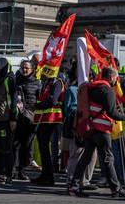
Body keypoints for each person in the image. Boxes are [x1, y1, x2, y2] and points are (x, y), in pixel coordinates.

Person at [69, 67, 125, 197]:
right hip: (102, 130)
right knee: (107, 158)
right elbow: (112, 113)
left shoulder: (92, 88)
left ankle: (74, 185)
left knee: (86, 158)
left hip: (90, 128)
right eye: (115, 78)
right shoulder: (108, 91)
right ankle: (115, 189)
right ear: (111, 77)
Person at [32, 70, 66, 186]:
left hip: (51, 119)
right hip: (43, 118)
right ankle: (45, 175)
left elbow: (53, 100)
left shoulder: (57, 81)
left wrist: (36, 105)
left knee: (45, 148)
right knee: (43, 148)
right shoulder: (48, 82)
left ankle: (49, 177)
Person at [13, 59, 41, 181]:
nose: (24, 70)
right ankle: (13, 169)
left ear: (32, 69)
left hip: (31, 119)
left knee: (27, 146)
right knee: (15, 145)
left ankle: (22, 170)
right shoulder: (15, 81)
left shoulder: (37, 83)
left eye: (27, 68)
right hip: (17, 118)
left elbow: (39, 100)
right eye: (22, 67)